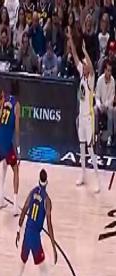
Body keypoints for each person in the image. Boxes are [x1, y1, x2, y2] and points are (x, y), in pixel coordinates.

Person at [13, 169, 57, 276]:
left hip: (26, 233)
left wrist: (18, 229)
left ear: (39, 180)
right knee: (44, 271)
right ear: (47, 181)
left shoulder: (32, 192)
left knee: (21, 267)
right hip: (35, 238)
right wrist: (53, 246)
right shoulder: (47, 200)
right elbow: (49, 224)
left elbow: (24, 209)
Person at [68, 28, 101, 192]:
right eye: (84, 64)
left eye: (86, 64)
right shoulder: (82, 73)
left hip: (89, 117)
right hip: (81, 117)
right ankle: (83, 174)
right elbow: (75, 56)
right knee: (81, 147)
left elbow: (92, 68)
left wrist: (84, 50)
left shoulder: (91, 78)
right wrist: (71, 39)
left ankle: (97, 180)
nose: (84, 65)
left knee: (90, 149)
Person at [0, 81, 21, 216]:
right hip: (7, 141)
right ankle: (15, 206)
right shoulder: (17, 105)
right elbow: (17, 129)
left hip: (0, 138)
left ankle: (0, 199)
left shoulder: (4, 101)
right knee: (16, 170)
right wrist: (18, 149)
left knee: (4, 166)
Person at [95, 59, 116, 146]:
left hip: (108, 106)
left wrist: (106, 105)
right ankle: (96, 134)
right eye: (108, 70)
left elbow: (112, 97)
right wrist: (100, 106)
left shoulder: (113, 81)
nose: (109, 73)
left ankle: (110, 136)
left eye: (110, 71)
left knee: (112, 111)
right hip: (100, 105)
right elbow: (97, 96)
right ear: (104, 70)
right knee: (95, 111)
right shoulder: (100, 80)